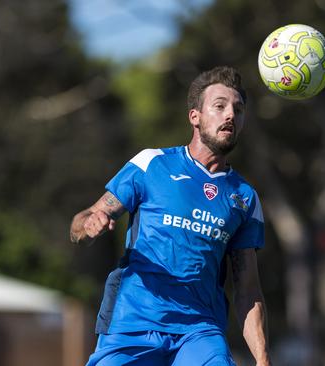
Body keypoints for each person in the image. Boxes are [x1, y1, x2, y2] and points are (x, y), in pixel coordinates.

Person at [70, 66, 270, 366]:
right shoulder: (152, 164)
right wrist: (89, 223)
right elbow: (82, 222)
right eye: (220, 106)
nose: (230, 114)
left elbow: (248, 289)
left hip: (200, 330)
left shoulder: (244, 197)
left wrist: (263, 358)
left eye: (238, 109)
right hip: (133, 321)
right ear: (195, 116)